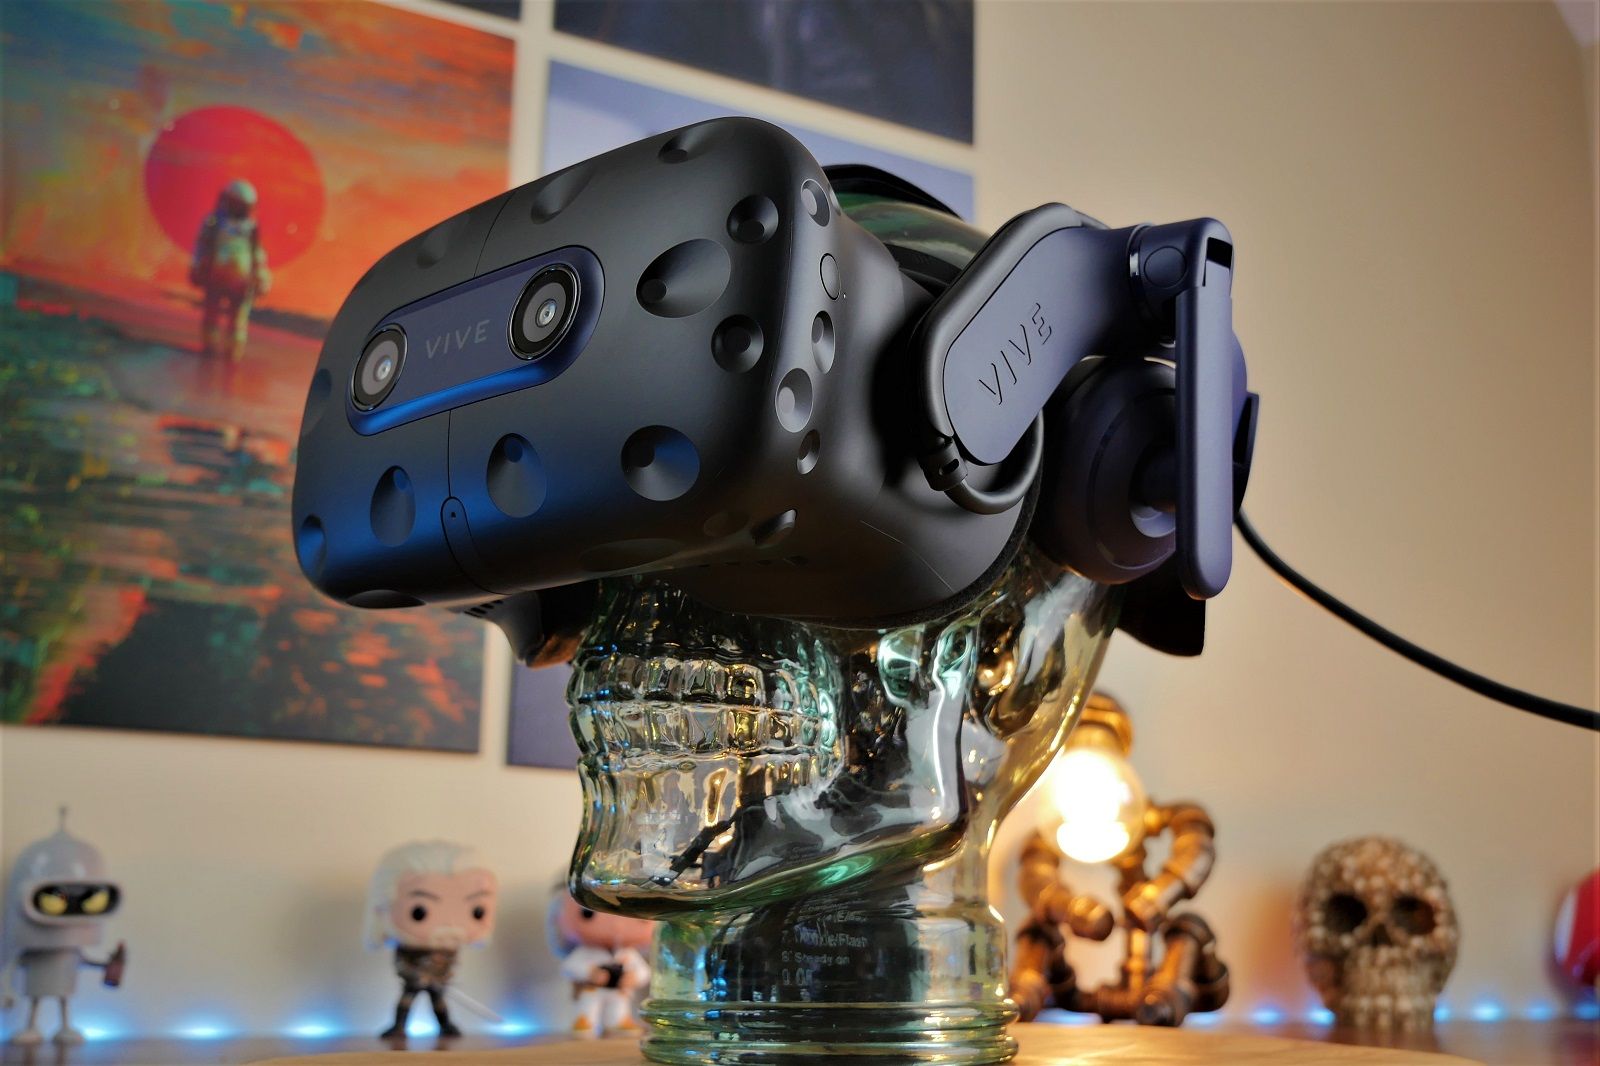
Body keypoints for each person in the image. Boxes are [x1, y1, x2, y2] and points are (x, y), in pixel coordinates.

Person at [364, 841, 497, 1040]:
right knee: (407, 1000)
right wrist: (414, 975)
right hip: (414, 980)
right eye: (419, 912)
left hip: (438, 980)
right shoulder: (408, 949)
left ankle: (445, 1025)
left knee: (438, 1001)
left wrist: (443, 976)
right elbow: (402, 962)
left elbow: (449, 963)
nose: (449, 923)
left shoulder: (448, 949)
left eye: (477, 912)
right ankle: (399, 1026)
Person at [189, 178, 270, 363]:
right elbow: (202, 245)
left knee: (238, 318)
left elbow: (257, 254)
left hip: (241, 282)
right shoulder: (214, 223)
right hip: (215, 277)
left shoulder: (251, 228)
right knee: (212, 313)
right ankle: (209, 347)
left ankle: (233, 352)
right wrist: (198, 266)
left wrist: (260, 277)